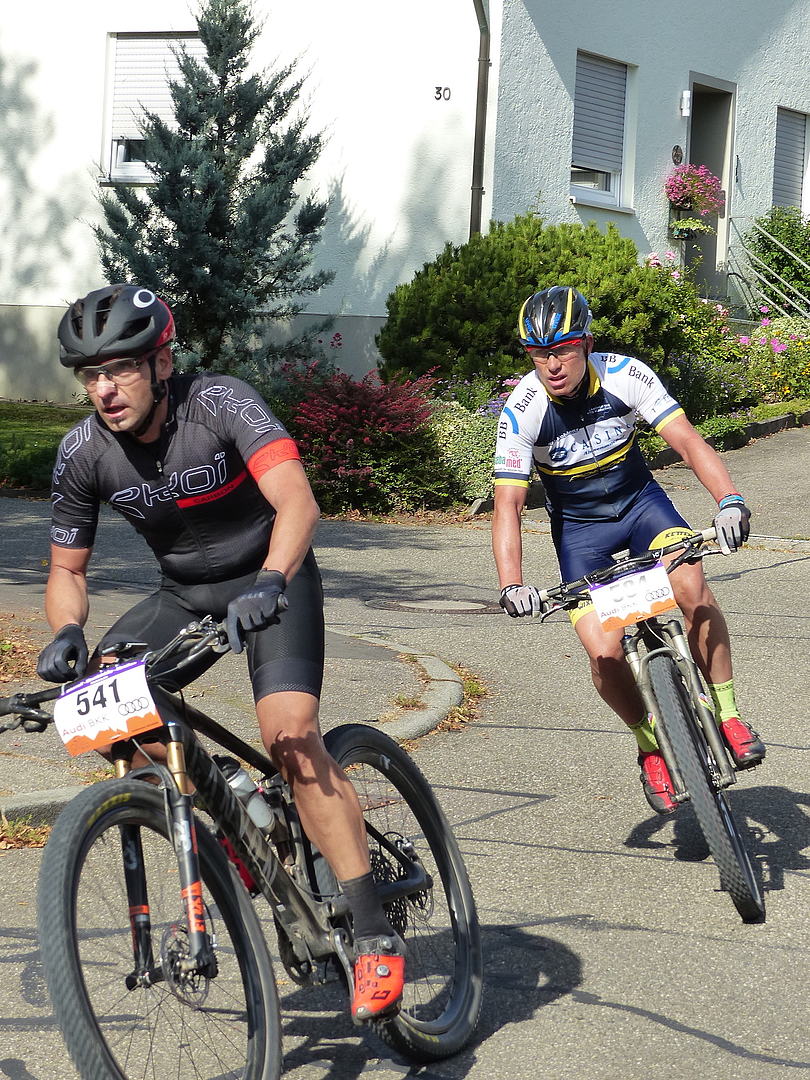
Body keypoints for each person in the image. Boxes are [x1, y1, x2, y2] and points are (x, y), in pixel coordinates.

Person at [36, 282, 404, 1020]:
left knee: (290, 736)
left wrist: (271, 581)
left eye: (121, 369)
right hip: (184, 594)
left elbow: (297, 500)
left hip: (274, 577)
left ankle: (373, 933)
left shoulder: (220, 403)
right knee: (105, 711)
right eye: (91, 375)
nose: (105, 389)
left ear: (161, 362)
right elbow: (66, 572)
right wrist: (68, 630)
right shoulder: (83, 452)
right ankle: (229, 798)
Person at [492, 285, 764, 815]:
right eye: (539, 354)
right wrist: (512, 584)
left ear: (586, 344)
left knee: (691, 586)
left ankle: (729, 714)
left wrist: (730, 502)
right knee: (604, 651)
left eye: (563, 349)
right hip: (581, 532)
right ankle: (649, 746)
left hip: (643, 508)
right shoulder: (522, 410)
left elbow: (687, 441)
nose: (552, 365)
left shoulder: (625, 375)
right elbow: (508, 506)